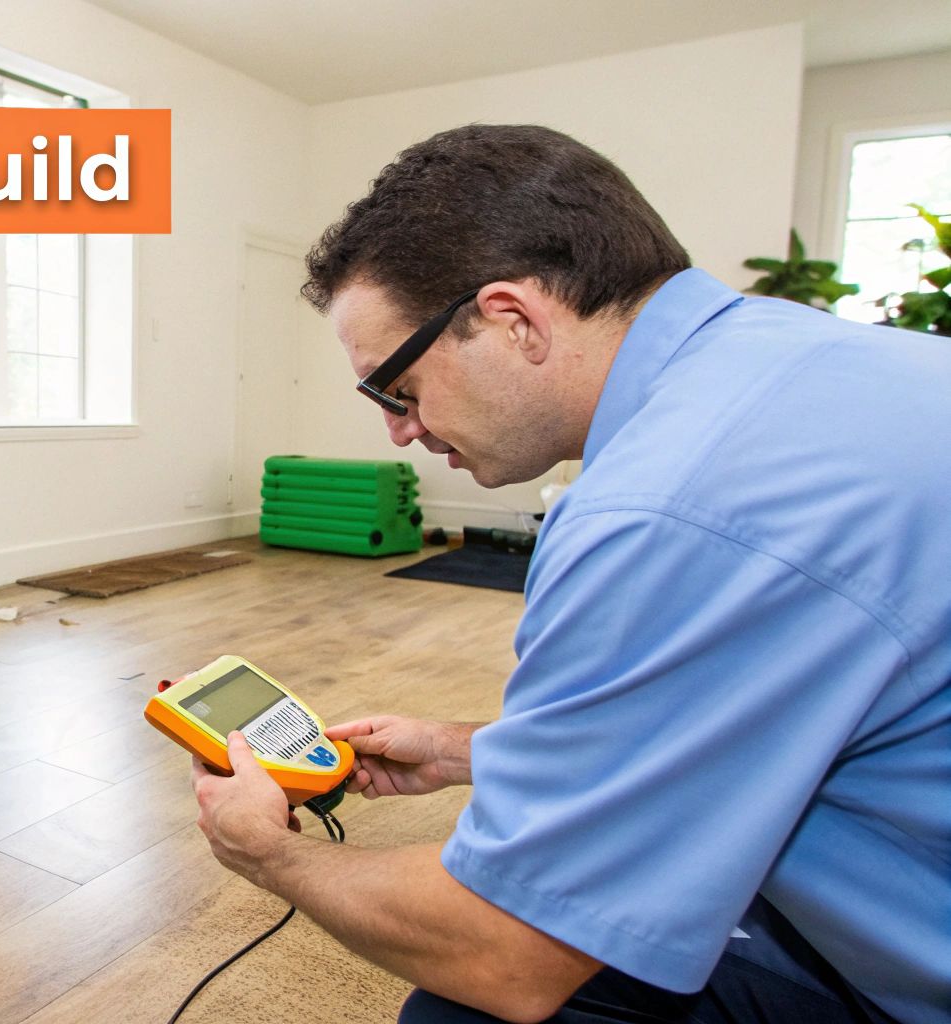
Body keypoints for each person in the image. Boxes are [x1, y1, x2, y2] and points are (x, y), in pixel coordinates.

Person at [188, 124, 950, 1024]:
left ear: (512, 320)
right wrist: (478, 749)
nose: (399, 430)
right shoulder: (820, 361)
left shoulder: (665, 509)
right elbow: (755, 705)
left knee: (466, 1010)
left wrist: (271, 854)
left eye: (395, 388)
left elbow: (506, 952)